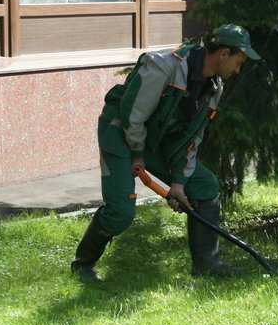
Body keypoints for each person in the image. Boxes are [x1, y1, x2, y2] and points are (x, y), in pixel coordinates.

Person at [71, 24, 260, 282]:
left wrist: (179, 185)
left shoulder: (214, 89)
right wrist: (137, 155)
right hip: (120, 131)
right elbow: (133, 116)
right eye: (239, 61)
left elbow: (192, 139)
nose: (238, 70)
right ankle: (82, 265)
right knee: (121, 212)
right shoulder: (163, 67)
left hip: (154, 140)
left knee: (205, 187)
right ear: (224, 54)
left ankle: (207, 264)